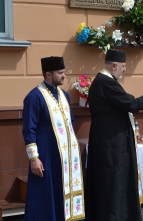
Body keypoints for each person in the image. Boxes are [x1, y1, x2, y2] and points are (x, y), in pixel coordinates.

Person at [85, 49, 143, 221]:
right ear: (114, 66)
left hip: (112, 141)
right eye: (123, 66)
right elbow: (132, 104)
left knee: (118, 181)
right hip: (110, 144)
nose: (125, 69)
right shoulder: (105, 83)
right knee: (112, 183)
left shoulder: (105, 81)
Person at [22, 56, 85, 220]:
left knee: (62, 189)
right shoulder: (34, 97)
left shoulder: (65, 95)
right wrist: (34, 158)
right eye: (60, 73)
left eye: (64, 72)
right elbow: (29, 129)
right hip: (46, 153)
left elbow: (70, 122)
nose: (64, 76)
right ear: (48, 74)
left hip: (65, 156)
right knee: (45, 192)